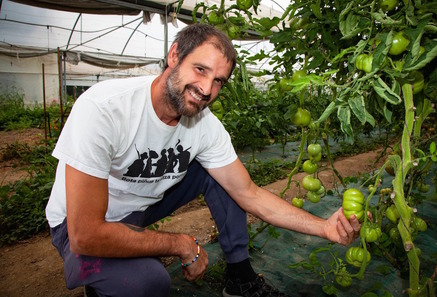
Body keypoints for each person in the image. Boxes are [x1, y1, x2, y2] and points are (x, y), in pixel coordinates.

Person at [45, 23, 361, 297]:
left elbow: (249, 194)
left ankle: (240, 276)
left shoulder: (204, 126)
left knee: (220, 176)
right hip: (79, 224)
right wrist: (179, 243)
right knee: (146, 283)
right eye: (200, 70)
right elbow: (86, 232)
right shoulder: (105, 109)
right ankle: (97, 278)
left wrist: (324, 228)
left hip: (139, 211)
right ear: (174, 56)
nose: (207, 89)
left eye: (219, 80)